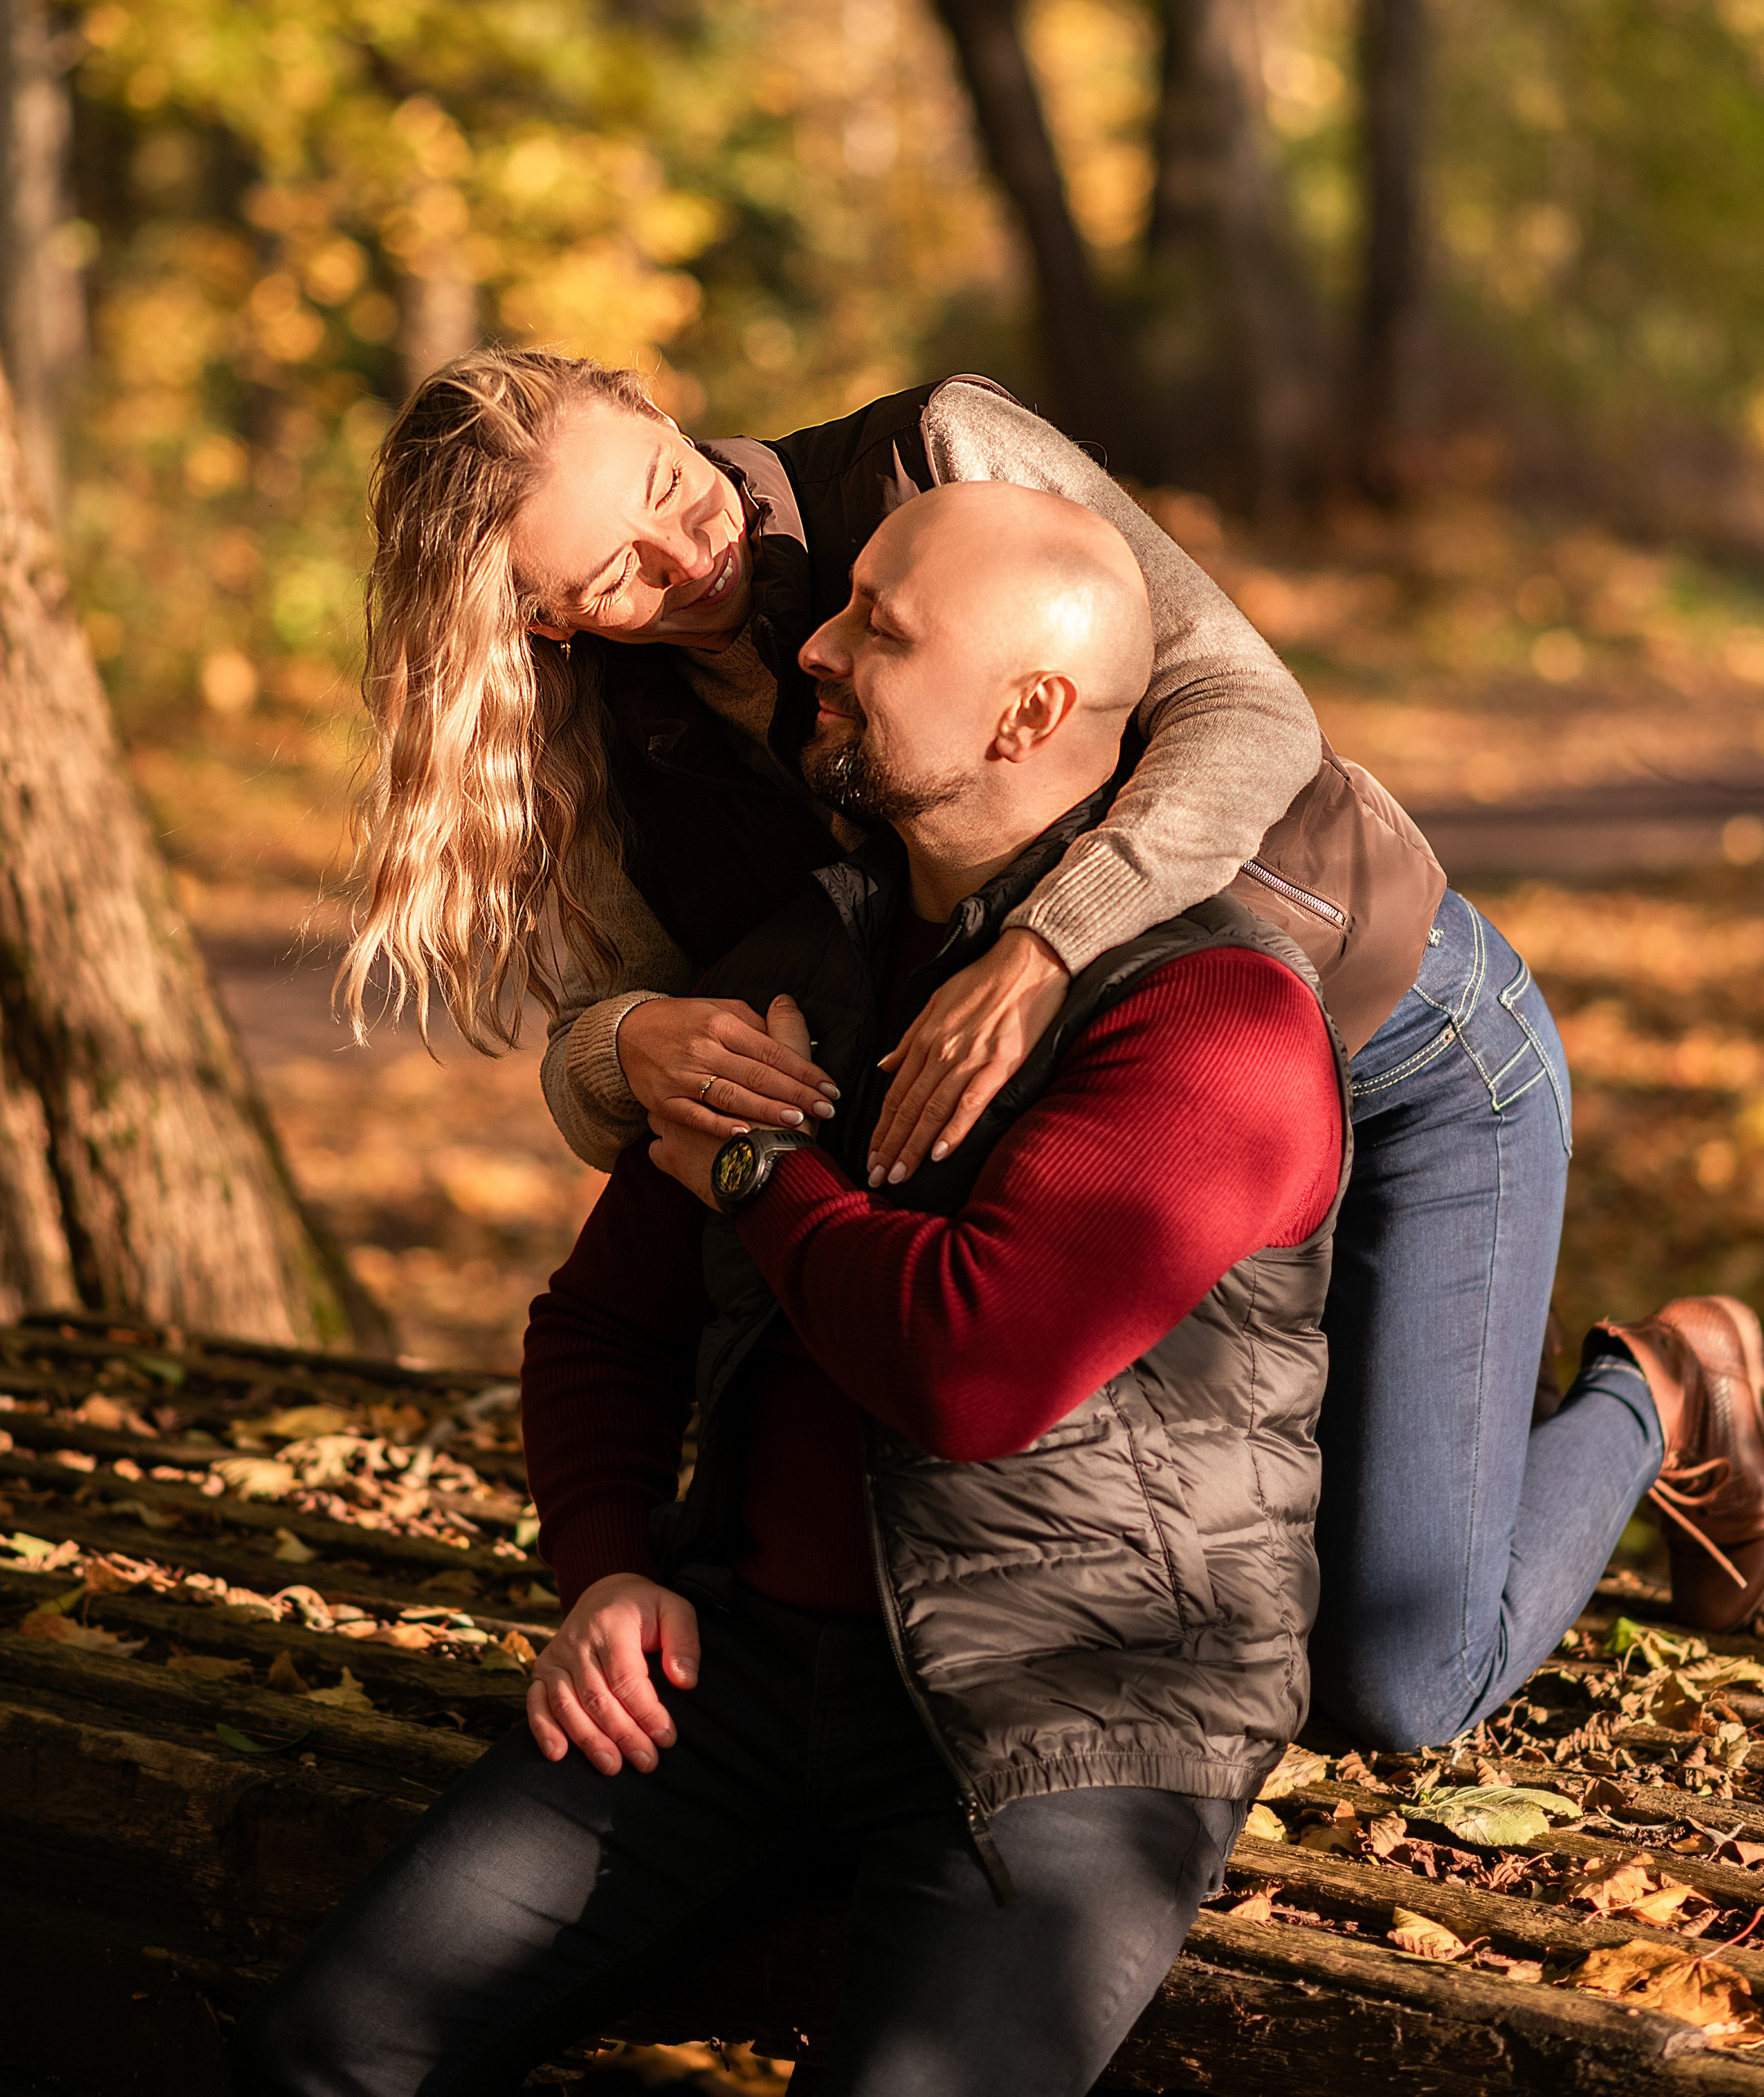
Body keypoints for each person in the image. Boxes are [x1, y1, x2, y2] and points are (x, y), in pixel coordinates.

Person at [341, 351, 1764, 1741]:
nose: (686, 552)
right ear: (541, 625)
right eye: (613, 577)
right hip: (1120, 1164)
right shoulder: (601, 742)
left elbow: (1249, 710)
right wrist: (623, 1044)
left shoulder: (929, 461)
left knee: (1398, 1682)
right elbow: (636, 1071)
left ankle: (1666, 1386)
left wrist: (1046, 941)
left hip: (1385, 1039)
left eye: (665, 478)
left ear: (660, 404)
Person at [243, 482, 1353, 2097]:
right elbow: (603, 1320)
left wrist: (757, 1176)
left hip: (1066, 1721)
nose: (814, 644)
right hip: (739, 1676)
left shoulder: (1210, 1020)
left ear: (1027, 711)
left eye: (880, 630)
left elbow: (968, 1367)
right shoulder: (805, 956)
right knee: (325, 2046)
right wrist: (608, 1569)